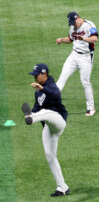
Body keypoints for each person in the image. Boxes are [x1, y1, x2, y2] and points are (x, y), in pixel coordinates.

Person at [21, 63, 70, 197]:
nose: (35, 77)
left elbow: (56, 95)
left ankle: (31, 118)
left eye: (36, 75)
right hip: (48, 127)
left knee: (46, 112)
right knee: (50, 155)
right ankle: (62, 187)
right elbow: (37, 107)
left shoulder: (50, 84)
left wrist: (43, 88)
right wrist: (31, 112)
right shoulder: (38, 92)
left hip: (58, 120)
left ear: (44, 74)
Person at [55, 12, 98, 116]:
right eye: (71, 23)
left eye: (74, 22)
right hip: (74, 56)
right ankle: (51, 105)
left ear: (78, 18)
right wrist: (61, 39)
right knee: (62, 78)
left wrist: (84, 39)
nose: (73, 25)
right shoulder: (73, 27)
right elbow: (70, 39)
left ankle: (91, 108)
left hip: (86, 57)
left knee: (85, 82)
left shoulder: (89, 25)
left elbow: (95, 39)